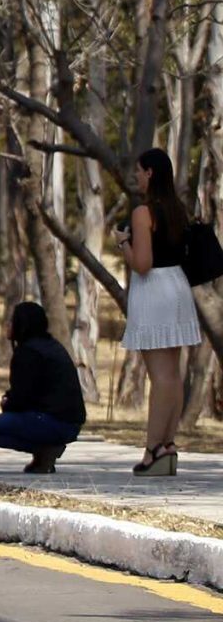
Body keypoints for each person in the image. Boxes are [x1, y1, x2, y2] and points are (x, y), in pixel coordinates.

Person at [119, 146, 200, 477]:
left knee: (160, 375)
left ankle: (153, 448)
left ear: (150, 172)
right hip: (178, 287)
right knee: (173, 374)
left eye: (139, 170)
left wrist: (123, 243)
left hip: (154, 291)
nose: (136, 176)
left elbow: (142, 264)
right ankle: (168, 443)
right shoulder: (177, 209)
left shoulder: (143, 213)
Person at [0, 301, 87, 474]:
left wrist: (7, 403)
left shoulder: (28, 353)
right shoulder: (52, 346)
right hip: (71, 423)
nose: (8, 325)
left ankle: (44, 450)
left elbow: (22, 399)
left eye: (12, 321)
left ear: (22, 325)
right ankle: (43, 454)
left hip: (53, 422)